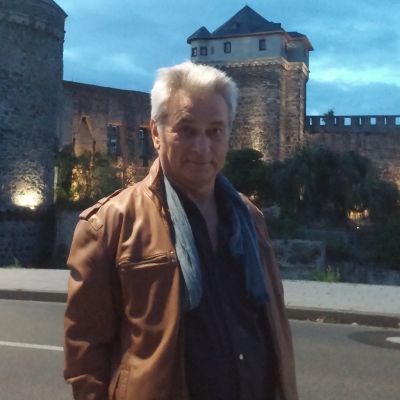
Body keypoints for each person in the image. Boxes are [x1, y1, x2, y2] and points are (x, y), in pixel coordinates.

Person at [64, 61, 298, 400]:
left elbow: (272, 327)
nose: (202, 148)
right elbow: (85, 355)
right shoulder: (109, 224)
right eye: (186, 130)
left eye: (215, 131)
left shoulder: (250, 217)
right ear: (156, 133)